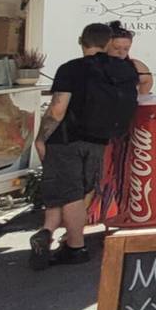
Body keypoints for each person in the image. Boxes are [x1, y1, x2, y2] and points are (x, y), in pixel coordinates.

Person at [31, 22, 140, 270]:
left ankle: (75, 247)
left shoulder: (71, 69)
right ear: (109, 42)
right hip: (100, 139)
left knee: (68, 192)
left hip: (67, 139)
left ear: (81, 41)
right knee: (80, 191)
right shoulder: (124, 70)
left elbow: (57, 110)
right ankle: (53, 235)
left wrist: (41, 138)